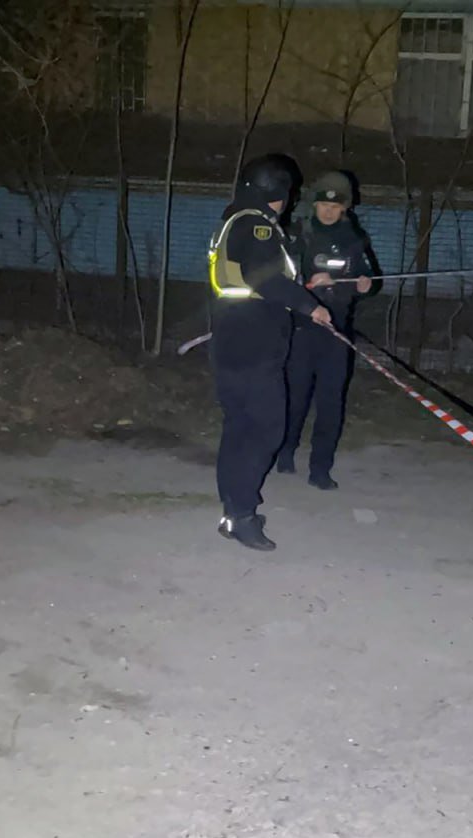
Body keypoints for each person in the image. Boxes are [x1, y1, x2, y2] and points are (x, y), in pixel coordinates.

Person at [208, 153, 333, 551]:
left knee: (240, 427)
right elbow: (262, 278)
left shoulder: (235, 219)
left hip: (233, 337)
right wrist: (310, 306)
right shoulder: (256, 224)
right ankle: (242, 515)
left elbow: (258, 277)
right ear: (277, 192)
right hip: (253, 343)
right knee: (264, 429)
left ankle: (234, 512)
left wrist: (302, 289)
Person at [276, 170, 377, 489]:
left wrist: (363, 286)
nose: (329, 211)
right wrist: (309, 284)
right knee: (295, 397)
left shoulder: (354, 239)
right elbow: (280, 281)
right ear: (314, 205)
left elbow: (368, 278)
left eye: (336, 206)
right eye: (324, 205)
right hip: (301, 329)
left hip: (337, 332)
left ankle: (320, 468)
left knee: (331, 402)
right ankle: (286, 450)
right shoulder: (296, 235)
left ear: (345, 208)